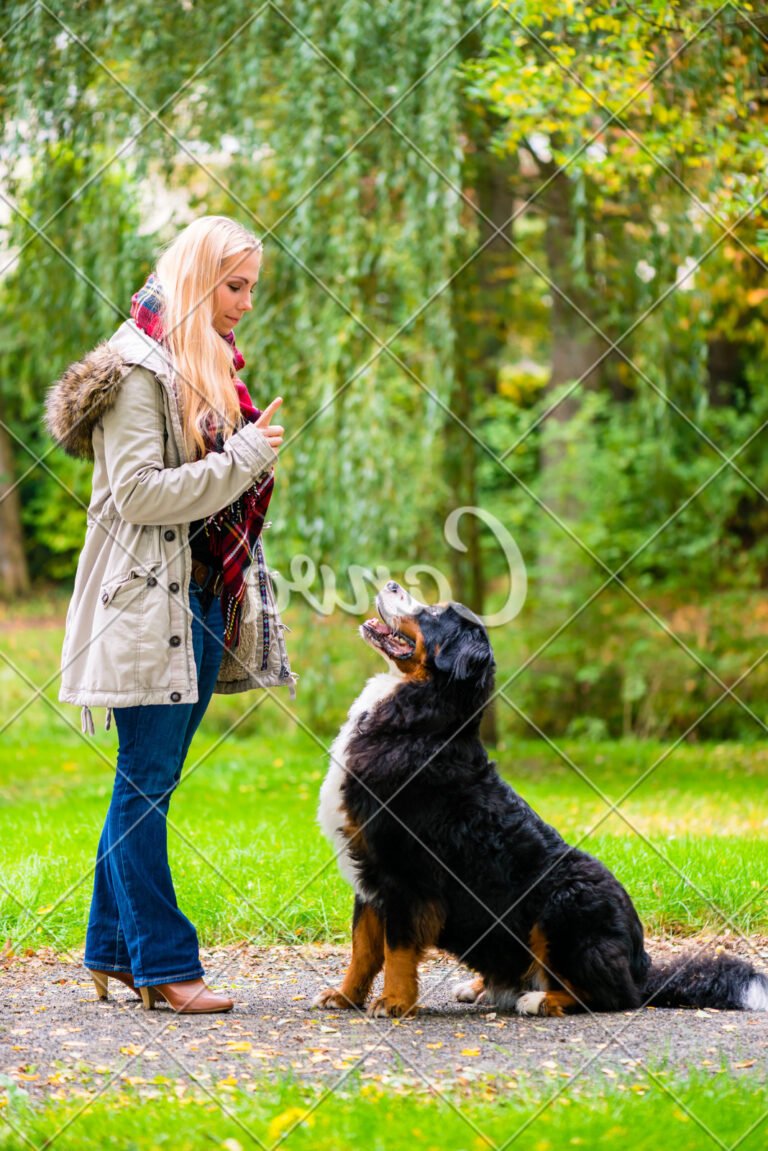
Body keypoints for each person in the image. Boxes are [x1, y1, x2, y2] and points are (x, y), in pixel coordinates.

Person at [45, 215, 294, 1014]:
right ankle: (163, 964)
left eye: (252, 285)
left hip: (199, 600)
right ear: (195, 280)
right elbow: (140, 494)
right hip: (148, 605)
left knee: (143, 785)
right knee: (145, 787)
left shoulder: (205, 363)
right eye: (234, 285)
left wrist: (242, 451)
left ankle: (113, 949)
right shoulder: (135, 372)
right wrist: (245, 457)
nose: (245, 302)